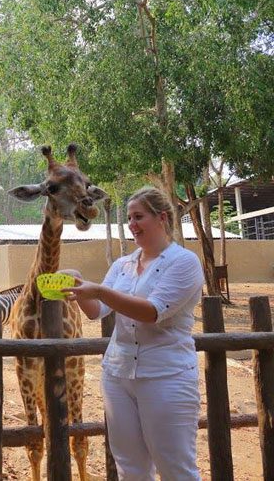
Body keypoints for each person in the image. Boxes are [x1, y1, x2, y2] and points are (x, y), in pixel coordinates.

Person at [60, 187, 204, 480]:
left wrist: (99, 289)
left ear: (162, 217)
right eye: (129, 218)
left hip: (166, 376)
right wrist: (76, 285)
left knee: (175, 467)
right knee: (130, 467)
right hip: (117, 374)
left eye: (138, 217)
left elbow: (152, 311)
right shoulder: (123, 265)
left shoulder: (184, 262)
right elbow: (96, 310)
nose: (132, 225)